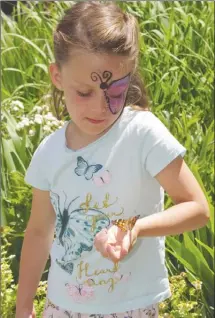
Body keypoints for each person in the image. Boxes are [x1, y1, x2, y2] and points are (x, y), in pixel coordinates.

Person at [15, 2, 210, 318]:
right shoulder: (49, 152)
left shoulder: (142, 134)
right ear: (57, 76)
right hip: (63, 306)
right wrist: (23, 306)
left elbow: (197, 209)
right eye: (83, 92)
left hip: (130, 307)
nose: (99, 107)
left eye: (114, 93)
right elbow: (39, 231)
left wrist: (134, 228)